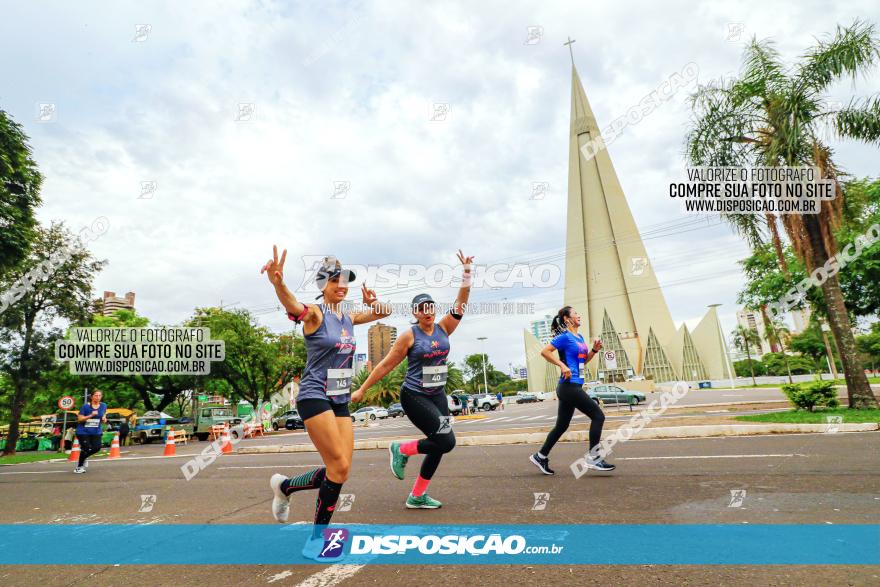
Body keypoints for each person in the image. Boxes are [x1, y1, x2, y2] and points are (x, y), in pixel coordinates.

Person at [263, 249, 390, 558]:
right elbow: (294, 307)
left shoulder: (347, 317)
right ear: (322, 285)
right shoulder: (316, 314)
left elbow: (383, 313)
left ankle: (287, 487)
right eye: (334, 280)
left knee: (341, 470)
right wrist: (278, 283)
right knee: (338, 466)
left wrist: (374, 303)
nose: (341, 285)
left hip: (339, 398)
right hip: (314, 395)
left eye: (344, 280)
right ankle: (316, 540)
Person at [354, 251, 473, 509]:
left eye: (430, 306)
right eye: (422, 308)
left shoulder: (445, 328)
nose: (427, 311)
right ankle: (401, 449)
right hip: (415, 396)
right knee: (446, 441)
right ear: (415, 313)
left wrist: (466, 273)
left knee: (440, 446)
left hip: (437, 395)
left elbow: (462, 302)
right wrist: (363, 388)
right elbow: (386, 365)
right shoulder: (409, 336)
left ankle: (417, 495)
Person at [529, 306, 615, 475]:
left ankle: (540, 456)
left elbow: (583, 362)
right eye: (576, 313)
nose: (579, 315)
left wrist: (594, 350)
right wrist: (562, 365)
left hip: (573, 385)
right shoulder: (564, 337)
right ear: (567, 319)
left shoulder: (580, 337)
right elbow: (544, 352)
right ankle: (594, 457)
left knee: (561, 425)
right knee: (598, 416)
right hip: (568, 386)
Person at [74, 390, 107, 473]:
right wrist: (91, 415)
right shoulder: (85, 407)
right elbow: (80, 419)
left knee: (97, 448)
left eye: (100, 395)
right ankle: (79, 467)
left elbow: (103, 415)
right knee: (85, 448)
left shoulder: (103, 405)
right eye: (96, 395)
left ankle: (84, 457)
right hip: (83, 431)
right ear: (92, 397)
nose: (98, 397)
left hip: (96, 431)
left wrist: (104, 419)